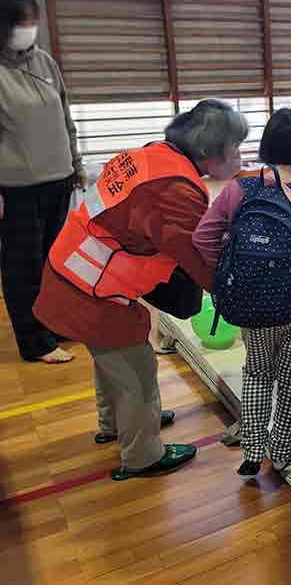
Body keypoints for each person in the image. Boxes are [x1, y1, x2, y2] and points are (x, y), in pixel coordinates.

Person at [34, 100, 249, 480]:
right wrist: (240, 289)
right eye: (234, 149)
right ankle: (143, 455)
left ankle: (115, 425)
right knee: (136, 369)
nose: (240, 156)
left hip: (74, 270)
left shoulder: (153, 156)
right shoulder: (174, 189)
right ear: (207, 152)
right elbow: (200, 258)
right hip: (93, 289)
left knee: (109, 359)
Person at [193, 109, 291, 477]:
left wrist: (228, 274)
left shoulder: (239, 189)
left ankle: (252, 449)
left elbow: (202, 238)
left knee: (257, 372)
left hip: (250, 303)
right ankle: (282, 450)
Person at [0, 0, 85, 364]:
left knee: (56, 259)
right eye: (22, 23)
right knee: (24, 264)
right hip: (16, 187)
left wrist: (76, 163)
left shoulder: (44, 62)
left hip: (59, 179)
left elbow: (64, 115)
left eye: (32, 22)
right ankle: (34, 341)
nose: (29, 29)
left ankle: (55, 323)